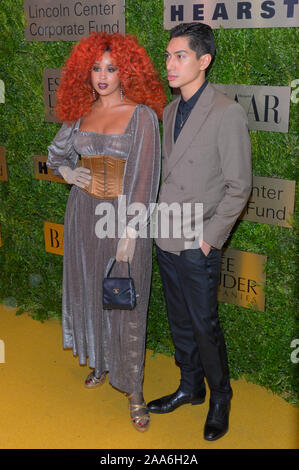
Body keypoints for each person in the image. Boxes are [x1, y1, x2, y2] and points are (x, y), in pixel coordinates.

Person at [47, 32, 166, 433]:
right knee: (89, 291)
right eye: (96, 68)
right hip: (82, 216)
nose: (102, 76)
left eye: (111, 68)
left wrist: (132, 230)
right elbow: (56, 154)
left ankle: (133, 389)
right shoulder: (79, 113)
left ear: (126, 71)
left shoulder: (142, 117)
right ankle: (99, 361)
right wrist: (67, 171)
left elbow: (145, 177)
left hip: (121, 219)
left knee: (127, 305)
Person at [147, 22, 252, 441]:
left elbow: (239, 186)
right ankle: (189, 387)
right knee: (179, 320)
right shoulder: (170, 110)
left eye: (180, 56)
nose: (169, 64)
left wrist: (208, 239)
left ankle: (220, 397)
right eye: (168, 56)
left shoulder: (227, 112)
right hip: (166, 236)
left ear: (203, 60)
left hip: (198, 242)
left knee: (204, 323)